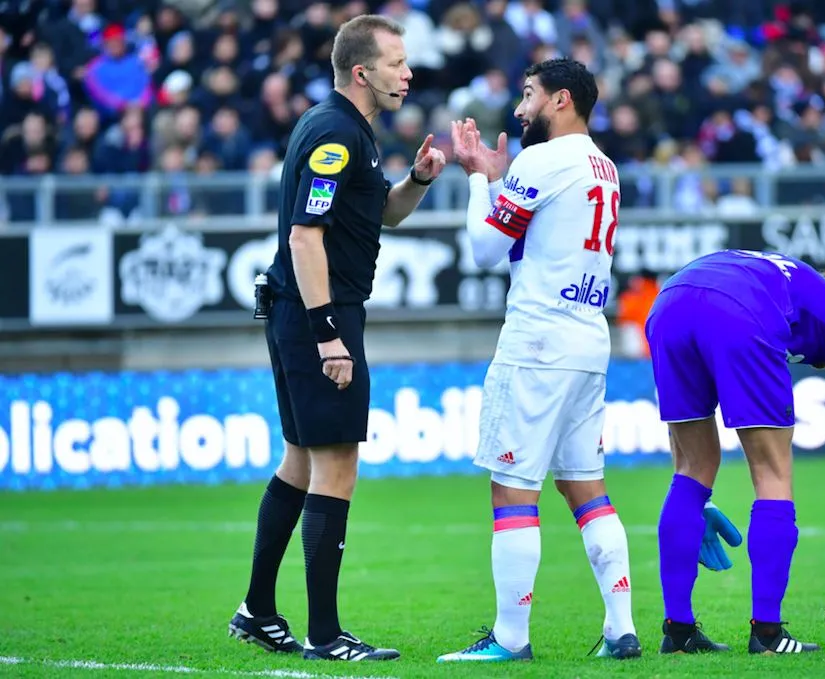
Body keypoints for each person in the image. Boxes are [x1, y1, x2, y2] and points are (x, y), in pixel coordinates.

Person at [435, 58, 738, 663]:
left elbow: (486, 249)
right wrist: (501, 185)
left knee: (513, 489)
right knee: (586, 489)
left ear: (561, 100)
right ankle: (621, 629)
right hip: (586, 339)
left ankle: (509, 639)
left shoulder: (543, 160)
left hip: (538, 340)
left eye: (528, 95)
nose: (520, 109)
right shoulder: (605, 165)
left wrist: (475, 178)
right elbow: (536, 238)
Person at [227, 14, 446, 662]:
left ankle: (257, 611)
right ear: (361, 71)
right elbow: (304, 235)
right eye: (396, 62)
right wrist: (329, 335)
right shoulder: (334, 134)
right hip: (318, 315)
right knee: (336, 464)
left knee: (299, 459)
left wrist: (421, 178)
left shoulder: (350, 131)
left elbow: (380, 213)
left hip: (302, 310)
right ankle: (326, 634)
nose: (407, 73)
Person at [644, 249, 825, 655]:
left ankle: (679, 633)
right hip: (740, 311)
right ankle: (767, 634)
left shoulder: (789, 280)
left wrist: (693, 507)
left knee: (692, 469)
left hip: (669, 303)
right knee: (772, 473)